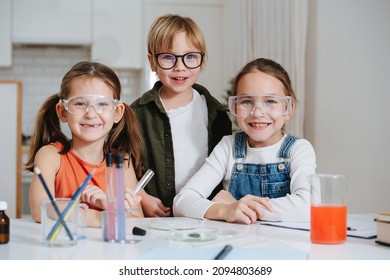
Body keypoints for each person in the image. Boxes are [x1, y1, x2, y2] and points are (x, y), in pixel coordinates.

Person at [173, 58, 317, 224]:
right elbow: (182, 202)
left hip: (282, 246)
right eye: (247, 101)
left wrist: (237, 205)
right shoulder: (228, 147)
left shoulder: (298, 149)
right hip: (237, 244)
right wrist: (226, 210)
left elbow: (308, 207)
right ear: (234, 107)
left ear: (288, 109)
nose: (257, 113)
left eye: (270, 101)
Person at [131, 14, 232, 217]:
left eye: (190, 57)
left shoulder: (217, 114)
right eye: (168, 57)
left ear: (202, 61)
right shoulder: (136, 114)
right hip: (157, 218)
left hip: (203, 216)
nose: (180, 66)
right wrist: (141, 196)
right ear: (152, 62)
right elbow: (123, 167)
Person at [25, 61, 145, 227]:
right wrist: (104, 216)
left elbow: (137, 219)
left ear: (117, 112)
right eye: (80, 104)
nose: (91, 114)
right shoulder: (50, 156)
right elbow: (41, 209)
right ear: (62, 112)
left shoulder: (121, 161)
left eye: (102, 104)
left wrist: (108, 206)